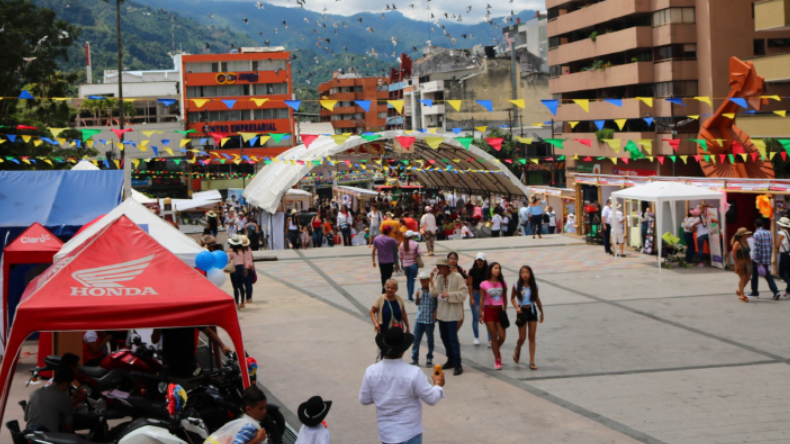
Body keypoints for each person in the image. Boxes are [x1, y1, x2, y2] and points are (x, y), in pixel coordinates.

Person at [359, 327, 445, 444]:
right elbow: (431, 399)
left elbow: (364, 399)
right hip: (409, 433)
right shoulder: (413, 372)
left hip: (386, 434)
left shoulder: (371, 371)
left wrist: (383, 395)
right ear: (403, 350)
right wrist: (438, 385)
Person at [431, 258, 467, 375]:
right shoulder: (440, 278)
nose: (439, 268)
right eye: (438, 266)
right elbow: (434, 293)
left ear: (447, 267)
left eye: (441, 266)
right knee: (444, 337)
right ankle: (450, 359)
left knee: (452, 338)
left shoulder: (457, 277)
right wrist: (431, 280)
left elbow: (463, 294)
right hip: (442, 313)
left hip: (452, 314)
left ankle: (458, 363)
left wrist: (449, 294)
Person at [151, 327, 231, 378]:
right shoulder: (166, 315)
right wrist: (158, 329)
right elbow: (154, 340)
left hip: (188, 363)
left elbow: (208, 332)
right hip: (170, 364)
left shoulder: (189, 314)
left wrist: (222, 346)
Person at [511, 265, 544, 370]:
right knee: (522, 337)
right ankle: (518, 349)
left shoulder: (534, 285)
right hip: (522, 311)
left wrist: (541, 311)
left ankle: (532, 361)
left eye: (527, 272)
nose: (525, 274)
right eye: (523, 272)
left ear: (530, 274)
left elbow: (537, 298)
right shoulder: (516, 285)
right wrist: (517, 307)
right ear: (520, 274)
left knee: (532, 337)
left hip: (532, 310)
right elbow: (512, 298)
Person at [25, 368, 75, 434]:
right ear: (65, 383)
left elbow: (26, 418)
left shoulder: (35, 392)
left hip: (30, 436)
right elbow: (68, 428)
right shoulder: (64, 398)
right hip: (49, 438)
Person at [479, 262, 507, 370]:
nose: (497, 270)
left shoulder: (502, 283)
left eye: (499, 268)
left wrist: (505, 310)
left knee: (502, 336)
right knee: (494, 336)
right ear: (491, 269)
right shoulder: (484, 284)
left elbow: (504, 297)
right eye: (495, 268)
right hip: (489, 310)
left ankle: (496, 349)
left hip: (499, 311)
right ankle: (497, 359)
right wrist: (480, 313)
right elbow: (482, 299)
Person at [370, 279, 410, 346]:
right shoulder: (380, 299)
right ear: (385, 288)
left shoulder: (399, 299)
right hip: (384, 330)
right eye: (388, 287)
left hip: (397, 332)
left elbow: (403, 313)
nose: (389, 289)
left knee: (397, 350)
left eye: (392, 288)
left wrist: (407, 326)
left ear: (396, 289)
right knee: (385, 350)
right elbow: (372, 312)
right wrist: (376, 323)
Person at [748, 218, 781, 299]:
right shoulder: (769, 233)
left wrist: (756, 260)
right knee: (760, 274)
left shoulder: (756, 234)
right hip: (766, 257)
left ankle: (775, 291)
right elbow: (770, 246)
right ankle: (755, 291)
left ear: (755, 225)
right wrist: (769, 258)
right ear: (763, 225)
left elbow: (756, 248)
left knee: (762, 275)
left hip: (758, 259)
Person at [410, 270, 436, 367]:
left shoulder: (432, 290)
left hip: (429, 319)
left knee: (430, 340)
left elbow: (435, 301)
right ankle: (414, 357)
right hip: (420, 318)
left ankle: (429, 357)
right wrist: (417, 297)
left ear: (428, 281)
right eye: (421, 281)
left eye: (425, 281)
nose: (423, 283)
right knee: (416, 339)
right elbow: (417, 303)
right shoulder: (419, 289)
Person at [467, 253, 488, 346]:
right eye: (478, 260)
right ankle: (476, 337)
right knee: (476, 317)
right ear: (476, 261)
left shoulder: (488, 271)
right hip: (475, 294)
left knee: (487, 317)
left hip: (485, 295)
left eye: (481, 260)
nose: (480, 262)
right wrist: (471, 298)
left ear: (484, 261)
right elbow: (470, 286)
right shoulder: (472, 271)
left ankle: (490, 339)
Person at [372, 225, 400, 294]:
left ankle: (384, 290)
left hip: (381, 261)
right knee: (388, 277)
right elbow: (398, 244)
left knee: (383, 276)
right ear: (389, 231)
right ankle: (385, 291)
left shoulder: (376, 238)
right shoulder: (391, 240)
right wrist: (396, 235)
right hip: (389, 261)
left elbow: (374, 250)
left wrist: (373, 261)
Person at [399, 231, 422, 302]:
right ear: (412, 236)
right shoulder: (415, 244)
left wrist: (402, 264)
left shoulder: (402, 244)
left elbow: (400, 256)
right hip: (414, 265)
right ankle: (410, 296)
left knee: (408, 279)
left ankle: (409, 295)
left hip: (405, 265)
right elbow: (420, 253)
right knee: (412, 280)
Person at [732, 228, 753, 303]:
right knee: (743, 278)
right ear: (742, 235)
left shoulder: (746, 241)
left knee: (748, 277)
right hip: (741, 261)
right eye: (746, 234)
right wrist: (737, 262)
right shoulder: (737, 243)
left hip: (748, 261)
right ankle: (742, 294)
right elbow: (734, 253)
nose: (748, 235)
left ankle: (739, 290)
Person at [228, 234, 247, 309]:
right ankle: (242, 302)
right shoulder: (242, 250)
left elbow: (228, 260)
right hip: (241, 268)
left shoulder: (231, 251)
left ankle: (237, 304)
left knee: (235, 287)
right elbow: (245, 260)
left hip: (234, 269)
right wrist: (245, 269)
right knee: (241, 286)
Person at [776, 217, 790, 297]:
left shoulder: (781, 233)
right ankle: (788, 290)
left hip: (784, 254)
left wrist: (777, 250)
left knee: (781, 273)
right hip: (789, 253)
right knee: (788, 273)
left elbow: (778, 245)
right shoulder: (788, 232)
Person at [241, 235, 255, 304]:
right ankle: (250, 297)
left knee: (246, 284)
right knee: (249, 283)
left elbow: (244, 260)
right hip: (251, 267)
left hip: (245, 267)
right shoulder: (249, 248)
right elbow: (252, 258)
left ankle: (247, 298)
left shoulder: (242, 250)